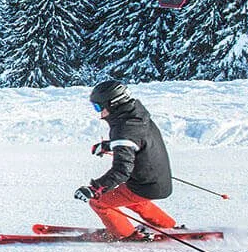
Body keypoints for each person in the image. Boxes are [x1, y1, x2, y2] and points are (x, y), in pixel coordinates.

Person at [75, 80, 179, 241]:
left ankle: (127, 235)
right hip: (158, 180)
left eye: (97, 107)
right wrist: (110, 146)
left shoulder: (124, 128)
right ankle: (167, 226)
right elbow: (136, 141)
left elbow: (121, 171)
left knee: (100, 203)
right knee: (135, 200)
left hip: (144, 185)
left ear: (113, 104)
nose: (98, 112)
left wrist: (95, 189)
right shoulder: (137, 117)